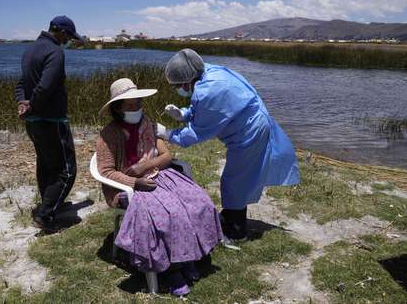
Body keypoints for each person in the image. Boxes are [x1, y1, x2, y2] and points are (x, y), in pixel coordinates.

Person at [96, 78, 223, 297]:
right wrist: (135, 181)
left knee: (198, 202)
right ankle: (171, 270)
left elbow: (166, 155)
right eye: (130, 105)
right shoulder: (108, 134)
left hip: (157, 175)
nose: (136, 108)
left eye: (138, 103)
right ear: (118, 108)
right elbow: (106, 171)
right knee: (169, 214)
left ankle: (189, 257)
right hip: (128, 186)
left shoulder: (148, 123)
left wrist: (144, 166)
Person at [157, 49, 300, 240]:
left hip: (249, 131)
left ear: (185, 81)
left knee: (235, 180)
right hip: (251, 122)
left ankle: (236, 230)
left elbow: (197, 132)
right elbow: (203, 107)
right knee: (238, 177)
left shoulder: (210, 89)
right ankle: (232, 216)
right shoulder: (209, 72)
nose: (178, 89)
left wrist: (167, 134)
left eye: (178, 86)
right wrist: (184, 113)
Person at [15, 15, 83, 230]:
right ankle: (45, 216)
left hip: (34, 121)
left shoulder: (31, 50)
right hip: (51, 119)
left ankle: (50, 205)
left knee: (46, 166)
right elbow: (45, 86)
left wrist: (23, 104)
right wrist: (32, 105)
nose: (69, 41)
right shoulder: (55, 52)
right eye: (69, 36)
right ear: (61, 32)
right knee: (66, 170)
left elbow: (20, 83)